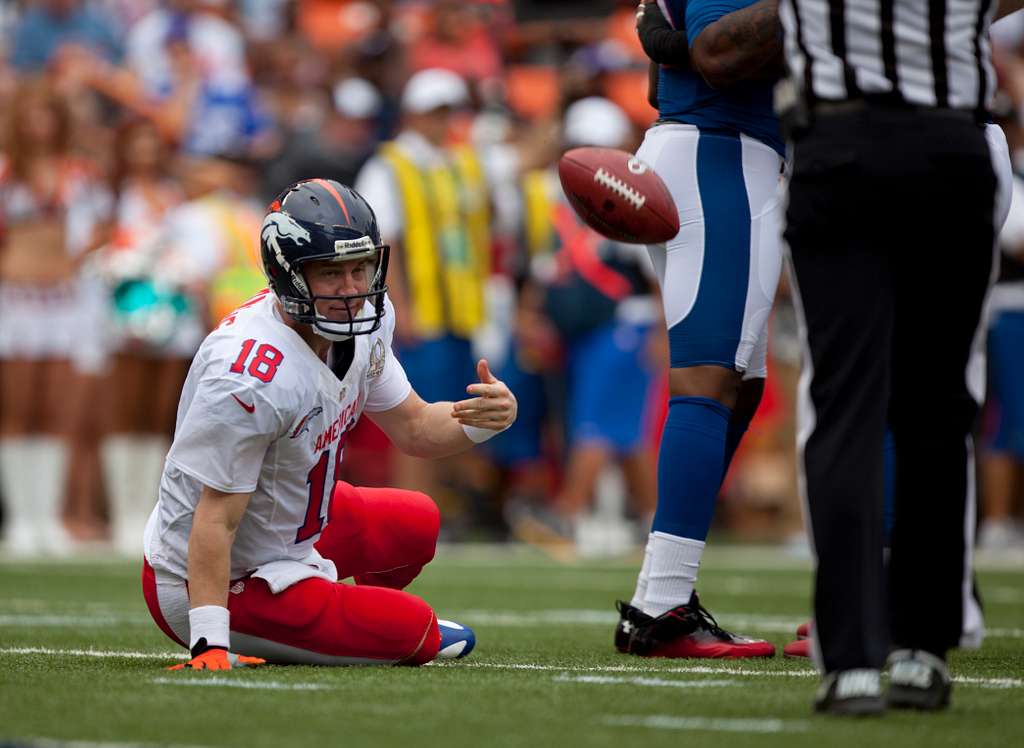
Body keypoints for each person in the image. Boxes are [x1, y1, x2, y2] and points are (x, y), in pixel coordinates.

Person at [143, 179, 516, 669]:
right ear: (288, 276)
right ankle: (337, 619)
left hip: (287, 521)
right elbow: (214, 517)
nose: (350, 290)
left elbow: (417, 428)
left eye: (360, 269)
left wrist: (486, 419)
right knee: (417, 632)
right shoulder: (249, 372)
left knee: (417, 522)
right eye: (330, 274)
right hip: (213, 574)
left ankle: (333, 612)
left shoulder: (366, 320)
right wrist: (210, 642)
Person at [779, 0, 1019, 715]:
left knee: (847, 404)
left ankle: (851, 659)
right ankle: (922, 650)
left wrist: (662, 28)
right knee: (936, 410)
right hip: (951, 144)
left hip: (840, 142)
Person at [613, 0, 784, 658]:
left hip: (717, 151)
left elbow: (665, 68)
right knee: (710, 379)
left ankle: (663, 592)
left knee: (739, 384)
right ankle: (661, 607)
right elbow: (714, 50)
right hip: (720, 151)